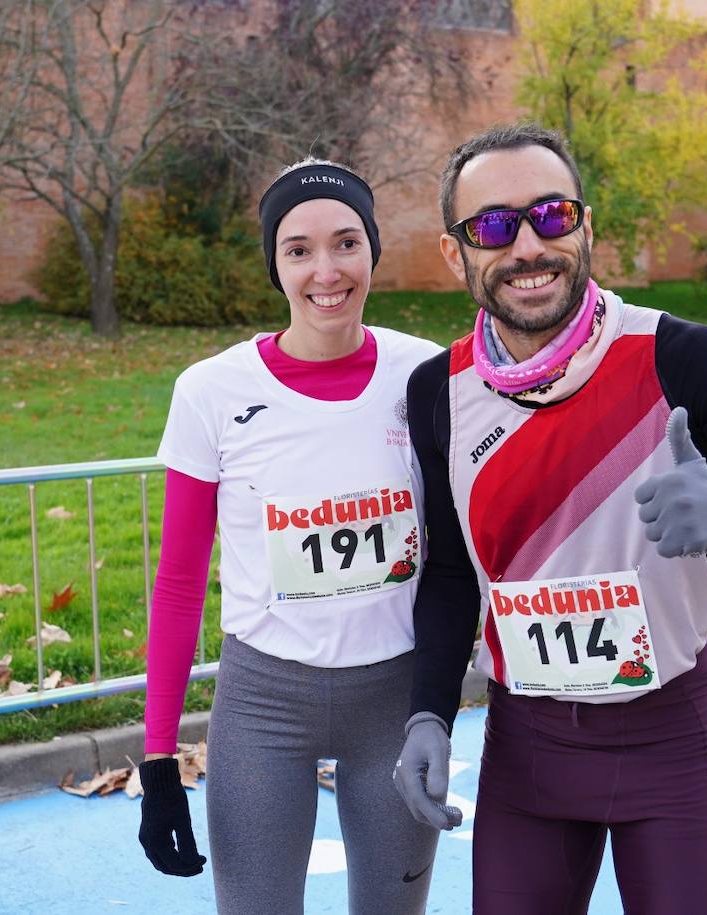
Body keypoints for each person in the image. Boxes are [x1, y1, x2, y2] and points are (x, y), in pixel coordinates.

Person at [392, 123, 707, 915]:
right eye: (494, 226)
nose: (527, 245)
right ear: (457, 254)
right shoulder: (436, 392)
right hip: (528, 757)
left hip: (669, 746)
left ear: (586, 227)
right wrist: (428, 714)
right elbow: (449, 575)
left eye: (551, 215)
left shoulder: (679, 356)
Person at [134, 158, 449, 915]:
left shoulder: (427, 374)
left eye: (346, 243)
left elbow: (476, 535)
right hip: (263, 705)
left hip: (394, 701)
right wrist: (157, 758)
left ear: (373, 250)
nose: (326, 271)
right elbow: (179, 581)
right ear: (275, 265)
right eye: (299, 249)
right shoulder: (211, 391)